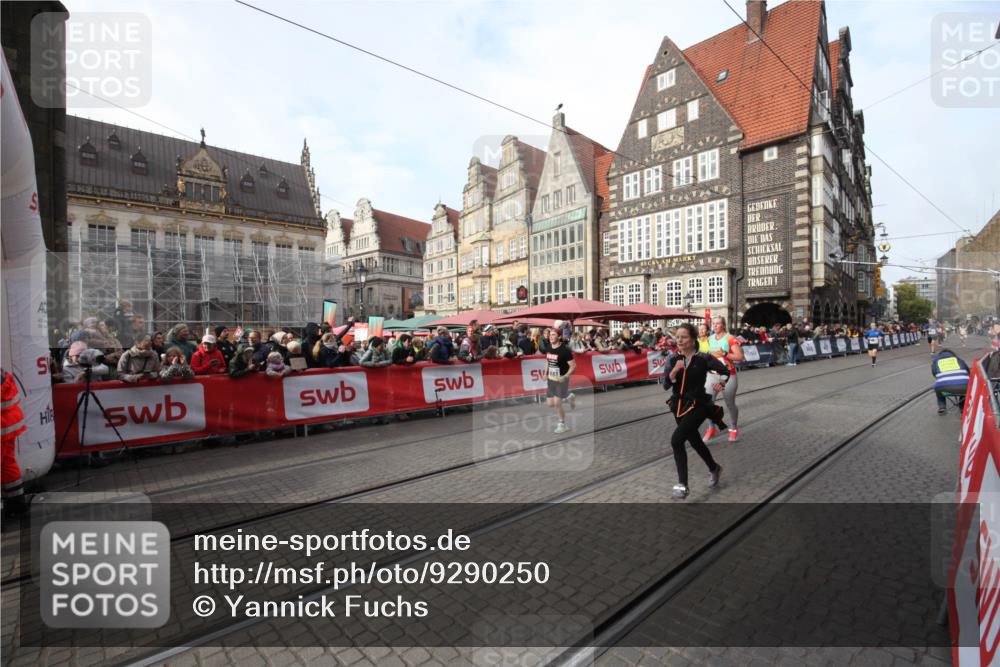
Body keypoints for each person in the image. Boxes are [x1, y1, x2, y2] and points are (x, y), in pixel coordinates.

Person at [663, 323, 728, 500]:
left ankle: (682, 485)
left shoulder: (703, 359)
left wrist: (721, 383)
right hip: (678, 406)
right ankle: (714, 468)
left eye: (683, 337)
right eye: (678, 337)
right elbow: (666, 385)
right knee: (696, 442)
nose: (680, 340)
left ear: (692, 340)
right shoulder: (672, 359)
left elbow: (725, 371)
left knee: (676, 440)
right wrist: (674, 370)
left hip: (698, 404)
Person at [707, 316, 744, 442]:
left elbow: (739, 357)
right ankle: (711, 428)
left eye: (718, 324)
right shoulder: (710, 338)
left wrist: (725, 354)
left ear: (723, 325)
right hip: (712, 375)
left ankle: (734, 428)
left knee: (730, 403)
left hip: (728, 375)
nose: (715, 326)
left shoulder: (730, 338)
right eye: (714, 324)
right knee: (707, 402)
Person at [1, 369, 28, 518]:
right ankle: (17, 505)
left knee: (6, 464)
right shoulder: (3, 374)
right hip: (9, 425)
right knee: (7, 464)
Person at [545, 328, 576, 433]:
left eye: (553, 335)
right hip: (551, 379)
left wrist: (565, 376)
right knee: (550, 404)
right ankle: (568, 395)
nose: (551, 336)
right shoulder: (548, 347)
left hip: (561, 380)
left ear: (559, 337)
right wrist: (545, 373)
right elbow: (547, 361)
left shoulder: (565, 350)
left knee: (557, 403)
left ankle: (562, 424)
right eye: (550, 335)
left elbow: (573, 366)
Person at [931, 348, 970, 414]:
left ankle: (942, 407)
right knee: (966, 388)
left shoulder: (935, 361)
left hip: (943, 388)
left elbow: (934, 374)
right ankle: (962, 407)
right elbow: (968, 372)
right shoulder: (959, 360)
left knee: (938, 386)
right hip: (964, 387)